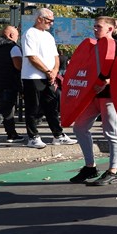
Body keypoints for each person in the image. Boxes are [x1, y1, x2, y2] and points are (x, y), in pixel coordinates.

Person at [68, 17, 117, 185]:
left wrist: (108, 81)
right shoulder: (93, 46)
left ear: (110, 29)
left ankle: (113, 171)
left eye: (99, 27)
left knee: (111, 132)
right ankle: (90, 167)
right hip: (92, 95)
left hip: (110, 96)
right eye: (94, 26)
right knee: (79, 127)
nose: (95, 29)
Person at [21, 8, 76, 149]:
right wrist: (47, 71)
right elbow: (32, 57)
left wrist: (54, 72)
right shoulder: (29, 34)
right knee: (33, 107)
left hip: (49, 77)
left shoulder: (49, 36)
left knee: (52, 107)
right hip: (33, 77)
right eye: (49, 20)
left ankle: (58, 135)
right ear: (39, 19)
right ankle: (33, 137)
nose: (51, 23)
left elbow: (56, 56)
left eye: (52, 21)